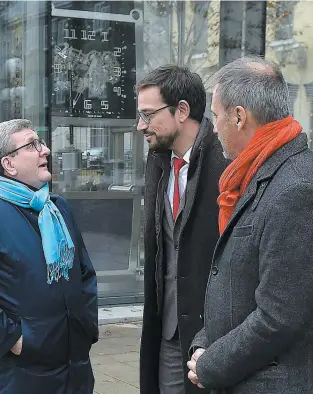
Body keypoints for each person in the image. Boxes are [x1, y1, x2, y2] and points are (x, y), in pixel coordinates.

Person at [0, 119, 98, 394]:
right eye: (32, 145)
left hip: (75, 365)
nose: (45, 150)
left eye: (41, 143)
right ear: (9, 164)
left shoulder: (57, 209)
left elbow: (84, 273)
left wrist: (86, 324)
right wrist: (12, 338)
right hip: (18, 373)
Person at [187, 56, 313, 393]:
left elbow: (280, 316)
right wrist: (204, 342)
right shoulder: (257, 174)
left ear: (239, 116)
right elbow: (235, 283)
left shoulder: (295, 188)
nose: (213, 128)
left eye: (215, 116)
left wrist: (210, 364)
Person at [137, 65, 229, 394]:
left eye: (148, 114)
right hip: (168, 332)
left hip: (217, 336)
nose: (140, 125)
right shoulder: (158, 162)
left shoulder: (227, 162)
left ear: (182, 111)